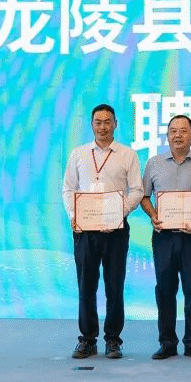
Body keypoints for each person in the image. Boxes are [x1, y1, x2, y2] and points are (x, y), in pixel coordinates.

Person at [62, 104, 143, 360]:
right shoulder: (78, 154)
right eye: (98, 122)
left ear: (116, 124)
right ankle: (87, 339)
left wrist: (120, 212)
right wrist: (74, 215)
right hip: (85, 230)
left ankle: (113, 339)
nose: (103, 127)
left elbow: (137, 190)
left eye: (108, 122)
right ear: (91, 125)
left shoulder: (127, 155)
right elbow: (68, 188)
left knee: (114, 285)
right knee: (86, 285)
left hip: (115, 230)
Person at [140, 114, 191, 360]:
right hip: (163, 236)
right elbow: (144, 196)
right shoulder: (154, 163)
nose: (178, 135)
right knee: (164, 290)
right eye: (173, 131)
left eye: (184, 131)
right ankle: (167, 342)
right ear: (167, 135)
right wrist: (153, 215)